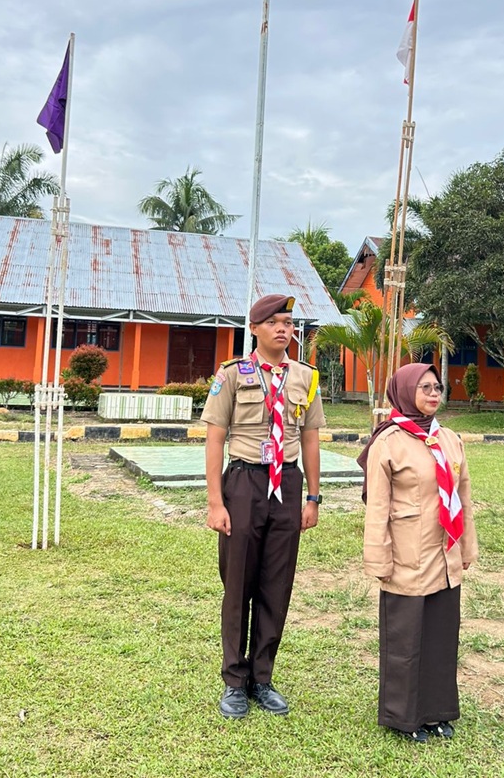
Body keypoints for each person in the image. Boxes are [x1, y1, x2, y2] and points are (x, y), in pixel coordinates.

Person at [201, 294, 325, 719]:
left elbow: (310, 439)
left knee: (277, 584)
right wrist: (215, 502)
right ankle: (234, 681)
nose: (283, 329)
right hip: (244, 482)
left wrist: (313, 497)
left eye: (288, 323)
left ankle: (262, 677)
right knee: (238, 583)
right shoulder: (233, 374)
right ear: (254, 329)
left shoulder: (305, 377)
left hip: (286, 483)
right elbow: (215, 438)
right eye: (273, 322)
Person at [359, 363, 478, 743]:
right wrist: (378, 558)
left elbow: (463, 498)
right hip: (407, 555)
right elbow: (377, 507)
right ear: (405, 390)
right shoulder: (389, 442)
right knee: (405, 641)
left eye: (437, 387)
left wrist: (467, 547)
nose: (433, 393)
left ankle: (436, 712)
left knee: (441, 637)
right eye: (424, 387)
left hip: (444, 555)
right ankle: (403, 717)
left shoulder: (449, 439)